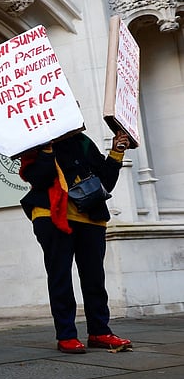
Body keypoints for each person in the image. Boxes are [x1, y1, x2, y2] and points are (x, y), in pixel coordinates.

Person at [19, 130, 132, 354]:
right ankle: (66, 335)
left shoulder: (83, 141)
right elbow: (39, 178)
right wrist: (47, 148)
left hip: (91, 216)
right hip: (51, 214)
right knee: (60, 276)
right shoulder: (33, 141)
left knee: (95, 278)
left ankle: (100, 331)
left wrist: (116, 152)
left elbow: (106, 182)